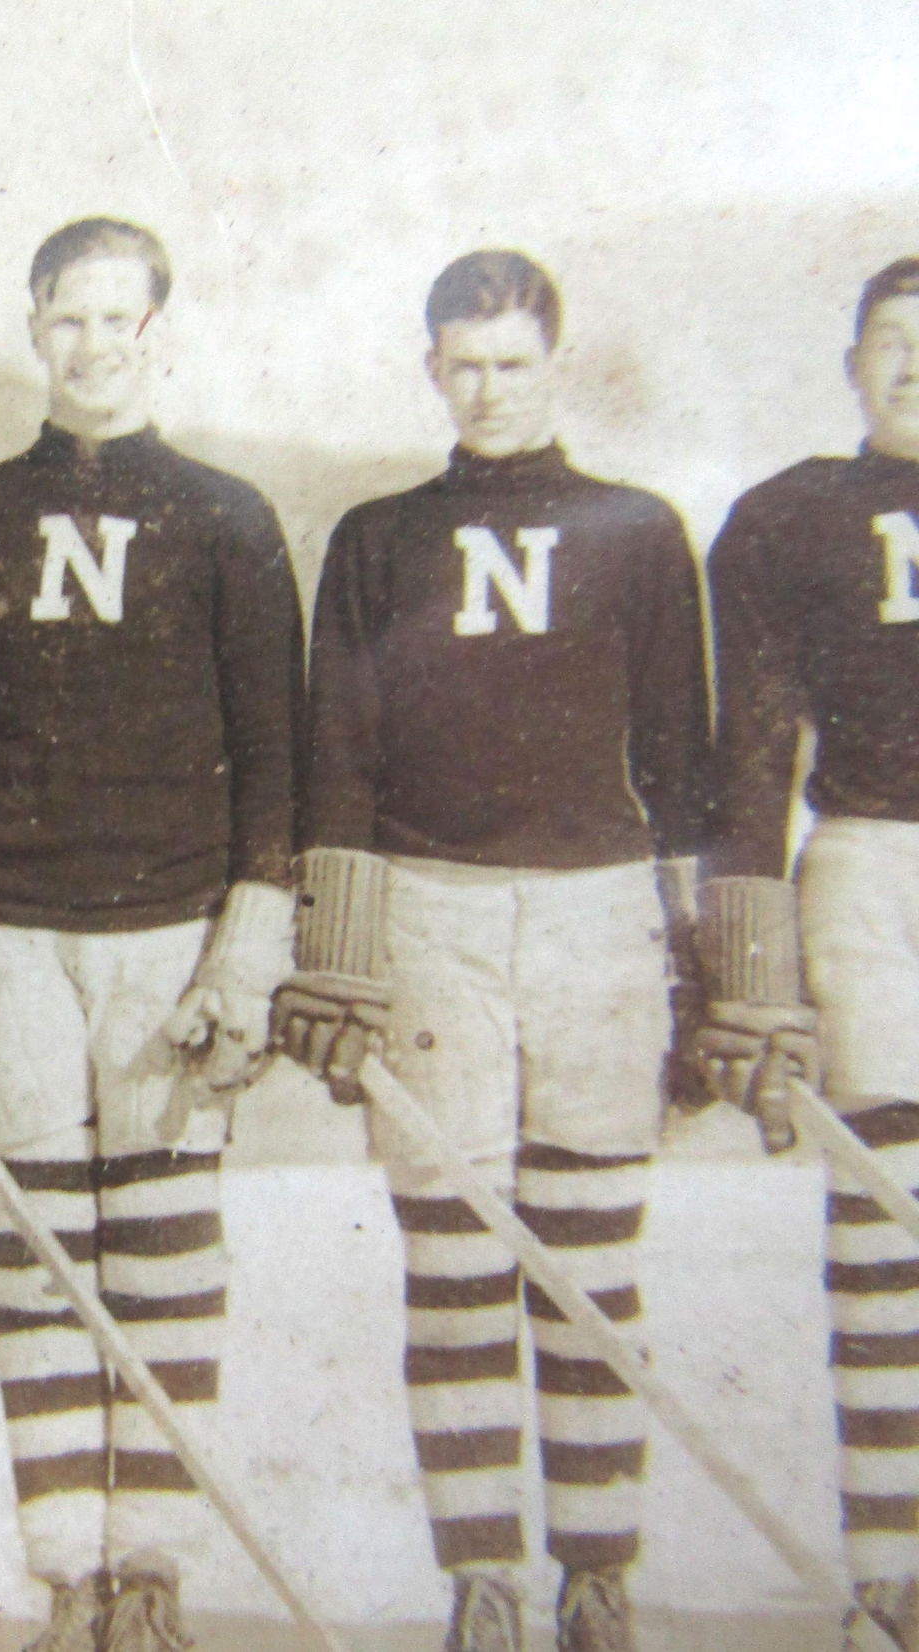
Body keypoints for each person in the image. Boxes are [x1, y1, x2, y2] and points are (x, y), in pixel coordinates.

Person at [0, 217, 302, 1652]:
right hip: (2, 937)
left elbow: (272, 755)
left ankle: (153, 1567)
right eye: (68, 320)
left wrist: (249, 946)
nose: (94, 346)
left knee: (166, 1247)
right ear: (32, 328)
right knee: (40, 1247)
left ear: (160, 331)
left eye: (121, 320)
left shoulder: (228, 514)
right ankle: (66, 1575)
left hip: (171, 937)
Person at [276, 250, 709, 1652]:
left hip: (595, 912)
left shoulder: (638, 530)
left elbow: (686, 768)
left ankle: (598, 1575)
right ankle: (483, 1579)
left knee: (590, 1257)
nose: (489, 389)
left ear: (555, 365)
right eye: (464, 362)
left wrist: (705, 968)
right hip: (430, 911)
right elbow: (334, 759)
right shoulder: (379, 537)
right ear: (429, 369)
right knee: (454, 1253)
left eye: (514, 362)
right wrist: (340, 955)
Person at [698, 256, 919, 1652]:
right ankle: (890, 1567)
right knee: (883, 1208)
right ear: (850, 362)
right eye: (892, 342)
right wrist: (751, 963)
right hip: (872, 862)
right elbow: (754, 759)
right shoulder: (791, 517)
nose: (915, 366)